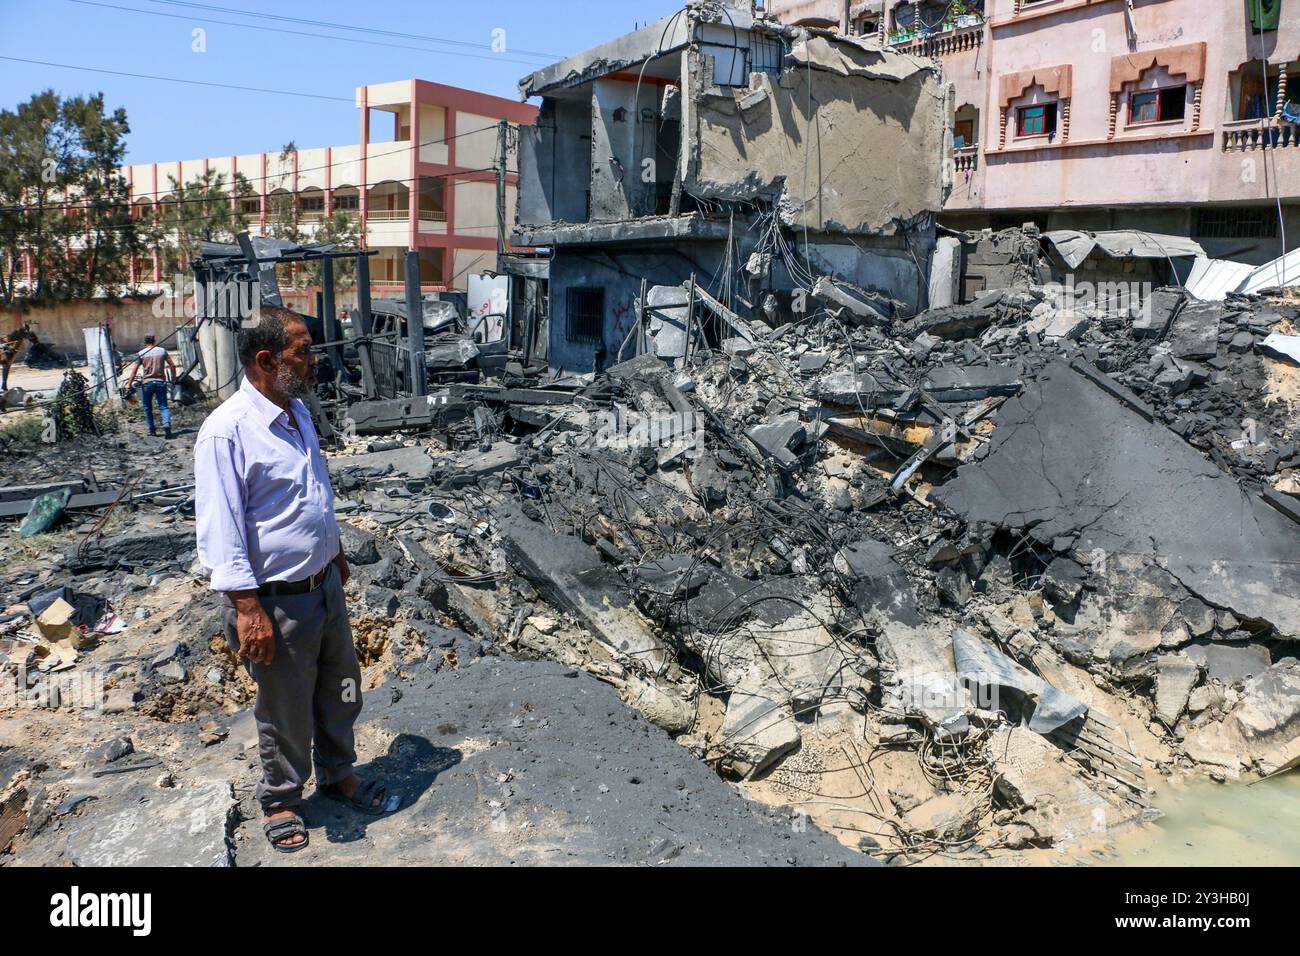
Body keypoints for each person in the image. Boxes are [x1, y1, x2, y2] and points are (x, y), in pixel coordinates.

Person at [194, 306, 394, 854]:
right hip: (277, 601)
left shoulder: (297, 412)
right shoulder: (227, 433)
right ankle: (282, 797)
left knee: (341, 688)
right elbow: (221, 531)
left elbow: (312, 493)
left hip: (324, 586)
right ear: (265, 360)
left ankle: (339, 773)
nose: (313, 362)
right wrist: (247, 608)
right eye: (302, 352)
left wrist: (335, 554)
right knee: (284, 706)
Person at [124, 334, 177, 438]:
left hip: (147, 383)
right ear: (154, 341)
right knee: (163, 406)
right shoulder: (162, 351)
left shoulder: (141, 353)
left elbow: (134, 371)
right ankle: (166, 424)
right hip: (161, 382)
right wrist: (173, 380)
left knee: (148, 407)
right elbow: (172, 365)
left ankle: (151, 431)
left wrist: (129, 384)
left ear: (145, 342)